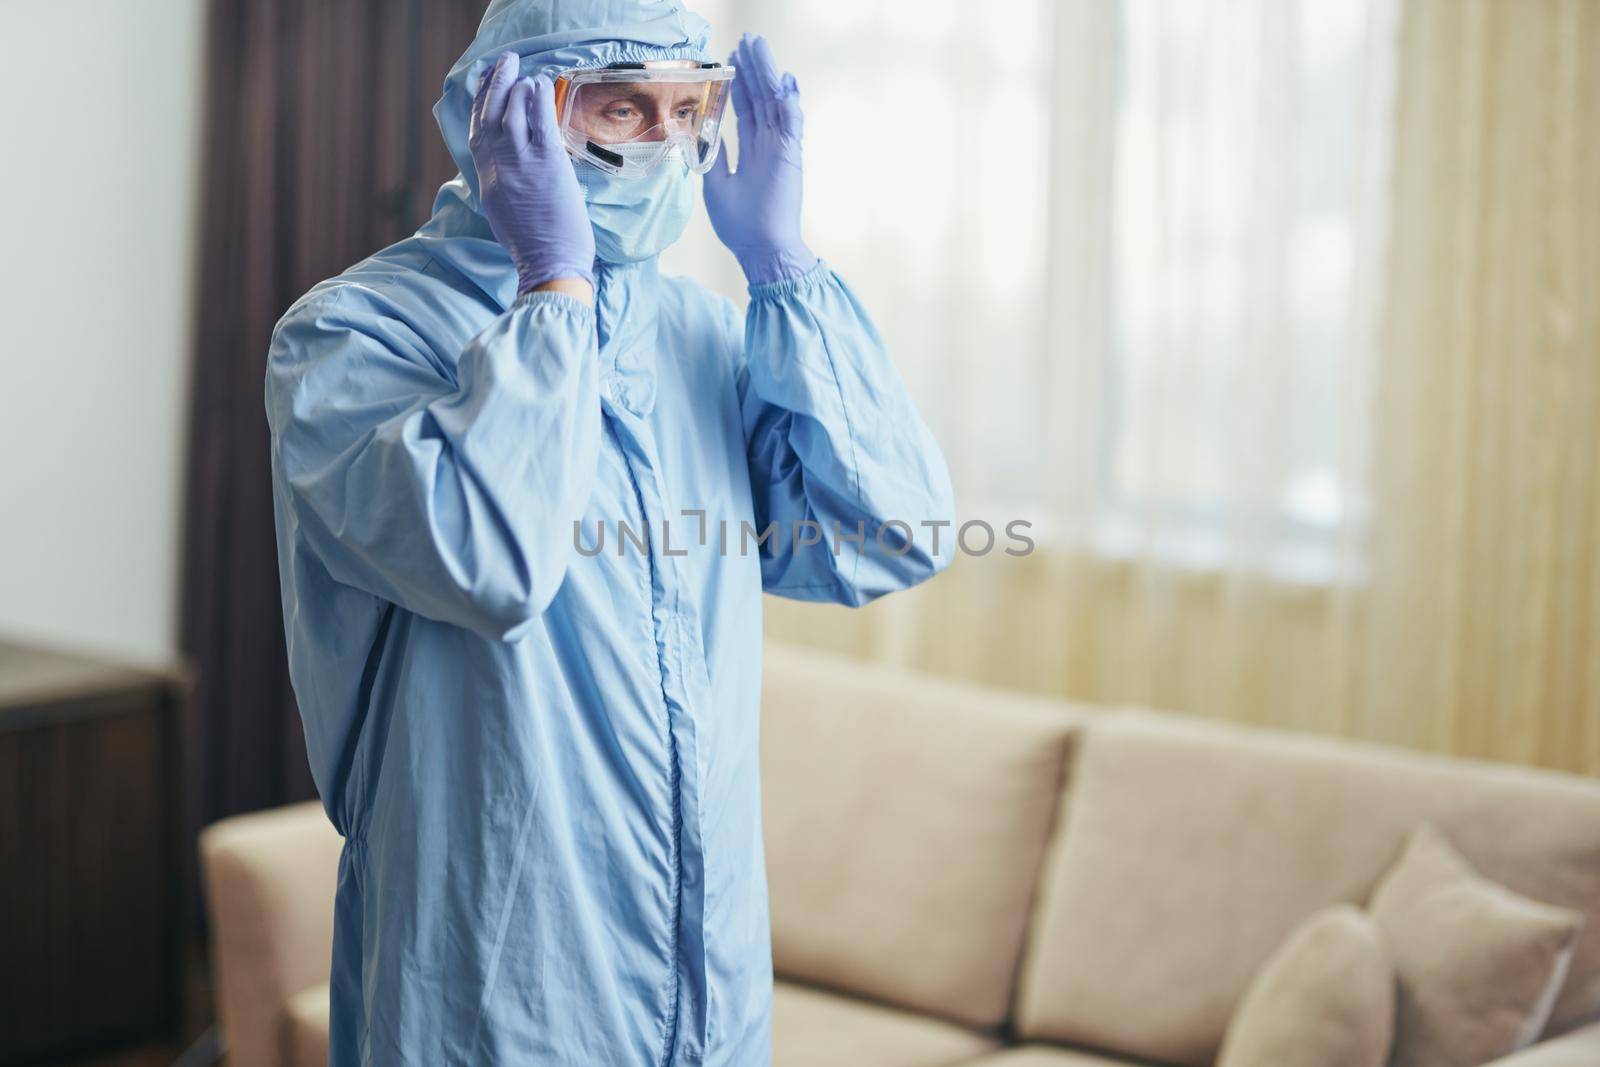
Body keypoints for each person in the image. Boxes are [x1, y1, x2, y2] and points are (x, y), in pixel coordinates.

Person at [263, 0, 954, 1063]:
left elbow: (891, 534)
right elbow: (489, 560)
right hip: (497, 972)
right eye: (622, 106)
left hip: (708, 972)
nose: (663, 144)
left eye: (688, 110)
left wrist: (783, 267)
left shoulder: (703, 337)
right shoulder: (355, 334)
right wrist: (553, 289)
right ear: (508, 116)